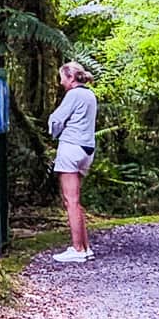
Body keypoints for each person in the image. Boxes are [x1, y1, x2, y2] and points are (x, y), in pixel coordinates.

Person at [47, 61, 98, 263]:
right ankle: (85, 247)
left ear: (70, 77)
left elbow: (57, 119)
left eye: (62, 77)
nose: (60, 82)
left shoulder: (73, 94)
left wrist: (53, 129)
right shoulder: (90, 95)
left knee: (71, 201)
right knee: (76, 201)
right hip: (87, 149)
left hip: (71, 148)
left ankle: (77, 249)